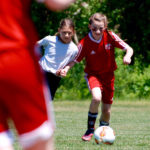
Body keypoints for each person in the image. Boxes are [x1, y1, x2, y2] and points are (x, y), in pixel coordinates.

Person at [0, 0, 76, 150]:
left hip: (48, 73)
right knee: (38, 140)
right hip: (14, 55)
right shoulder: (50, 40)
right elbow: (57, 2)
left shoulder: (73, 48)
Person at [59, 13, 134, 141]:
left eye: (101, 28)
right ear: (89, 27)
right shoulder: (85, 42)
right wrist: (66, 68)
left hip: (109, 76)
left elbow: (129, 48)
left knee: (106, 112)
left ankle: (103, 133)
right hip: (93, 75)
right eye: (94, 28)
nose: (98, 31)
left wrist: (127, 56)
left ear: (105, 27)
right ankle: (90, 130)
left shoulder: (110, 36)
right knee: (96, 97)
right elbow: (74, 60)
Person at [36, 18, 78, 100]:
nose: (66, 35)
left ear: (73, 32)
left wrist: (65, 70)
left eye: (69, 33)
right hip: (41, 72)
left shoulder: (74, 49)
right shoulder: (50, 40)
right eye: (64, 32)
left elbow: (72, 62)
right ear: (59, 30)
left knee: (48, 100)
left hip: (55, 77)